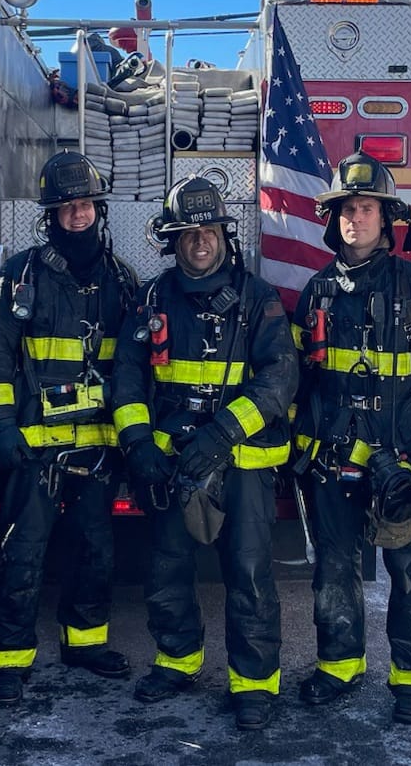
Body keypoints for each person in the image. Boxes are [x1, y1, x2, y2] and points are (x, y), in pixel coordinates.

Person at [289, 152, 411, 725]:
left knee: (408, 569)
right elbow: (299, 380)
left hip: (403, 460)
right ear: (334, 219)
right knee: (334, 570)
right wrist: (302, 451)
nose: (355, 218)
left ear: (385, 217)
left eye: (365, 207)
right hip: (332, 461)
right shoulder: (317, 291)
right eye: (346, 209)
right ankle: (339, 667)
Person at [111, 175, 298, 731]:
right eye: (189, 233)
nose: (200, 242)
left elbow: (280, 378)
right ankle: (176, 662)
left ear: (225, 235)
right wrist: (139, 445)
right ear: (173, 241)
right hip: (171, 465)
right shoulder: (150, 299)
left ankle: (255, 684)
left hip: (241, 464)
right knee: (166, 568)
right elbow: (126, 379)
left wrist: (220, 434)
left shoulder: (257, 299)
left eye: (209, 231)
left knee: (247, 572)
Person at [0, 150, 137, 706]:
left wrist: (131, 441)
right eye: (66, 207)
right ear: (50, 214)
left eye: (86, 205)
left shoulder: (122, 280)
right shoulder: (19, 275)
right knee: (22, 552)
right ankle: (7, 662)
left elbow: (134, 369)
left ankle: (85, 644)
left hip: (97, 448)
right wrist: (0, 429)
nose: (78, 216)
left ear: (99, 209)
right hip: (34, 449)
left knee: (96, 549)